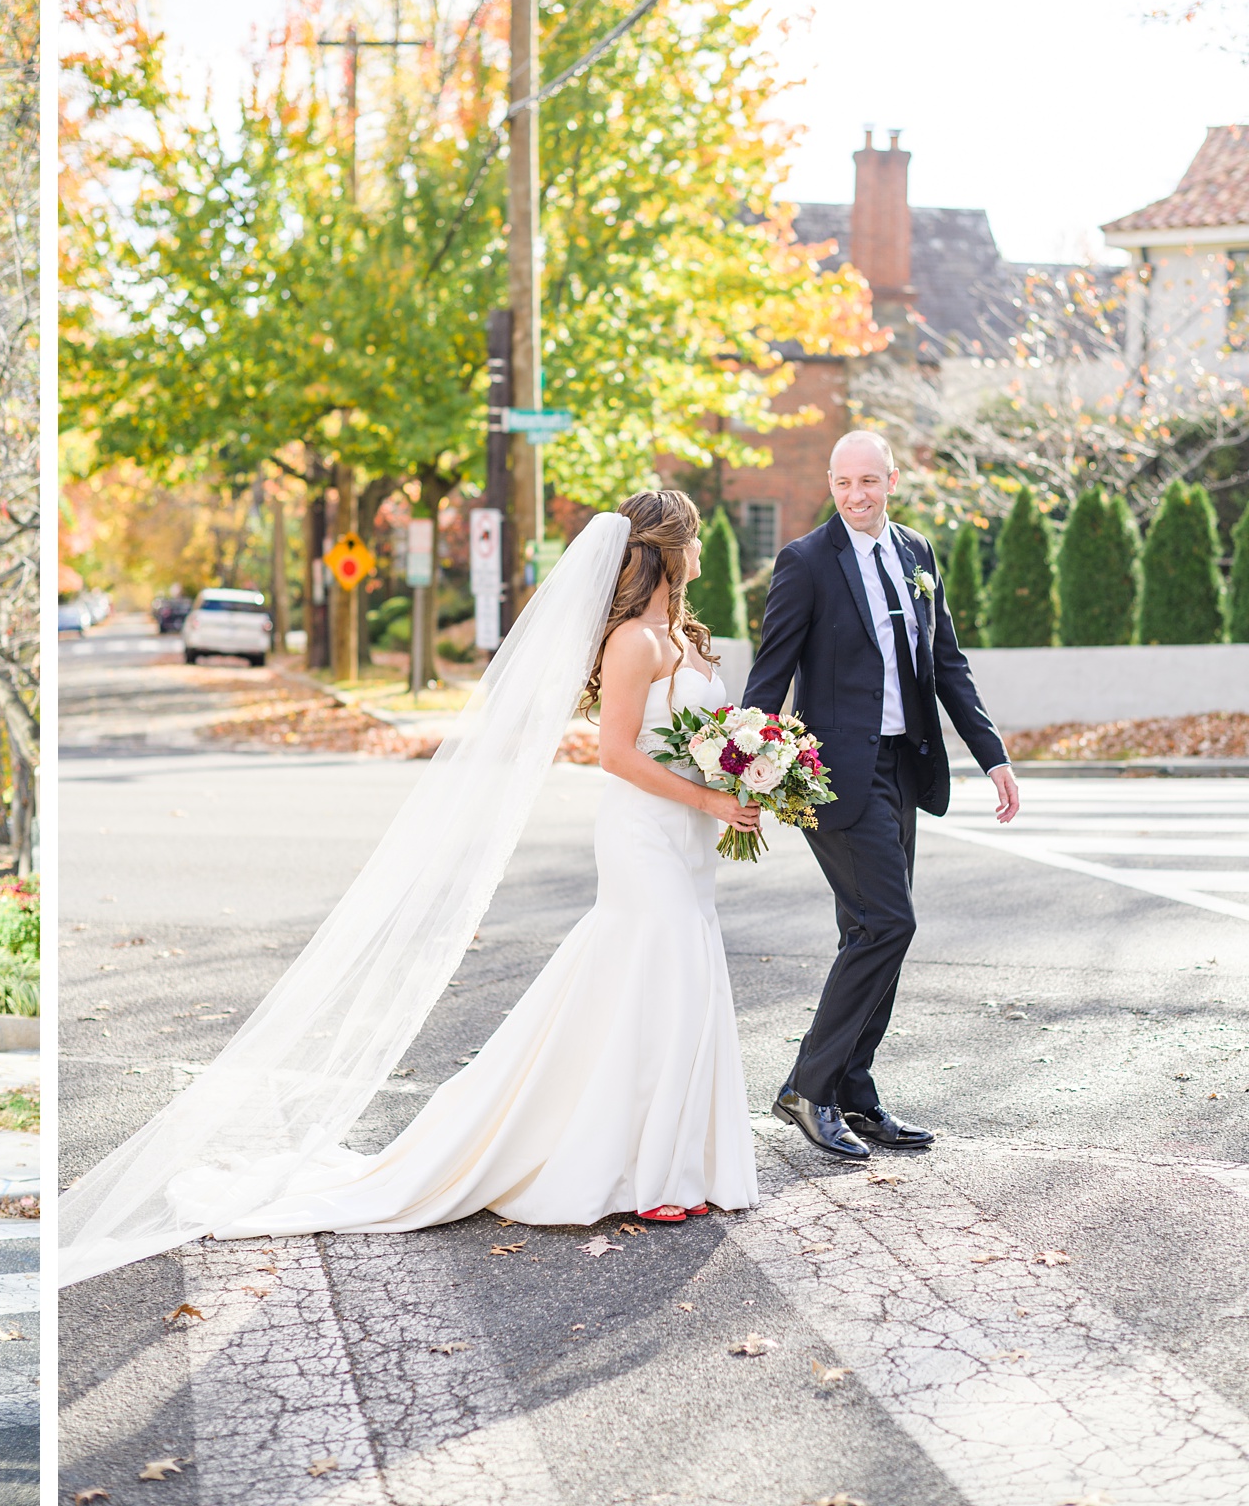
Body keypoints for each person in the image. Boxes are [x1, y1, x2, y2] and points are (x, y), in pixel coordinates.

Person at [59, 492, 764, 1287]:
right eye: (696, 539)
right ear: (673, 550)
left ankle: (682, 1160)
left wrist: (749, 770)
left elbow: (702, 736)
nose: (702, 552)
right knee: (651, 972)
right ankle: (645, 1168)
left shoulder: (684, 637)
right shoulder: (635, 641)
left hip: (690, 837)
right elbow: (614, 754)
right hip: (645, 835)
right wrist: (708, 797)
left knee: (675, 974)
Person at [744, 430, 1019, 1162]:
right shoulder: (805, 562)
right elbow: (768, 678)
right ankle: (808, 1087)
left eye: (870, 481)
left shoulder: (917, 553)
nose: (857, 495)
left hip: (903, 766)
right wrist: (747, 771)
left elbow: (947, 663)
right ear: (830, 485)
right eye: (844, 483)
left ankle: (853, 1094)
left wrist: (992, 756)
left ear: (892, 480)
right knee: (887, 924)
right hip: (832, 776)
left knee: (868, 934)